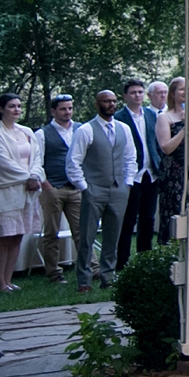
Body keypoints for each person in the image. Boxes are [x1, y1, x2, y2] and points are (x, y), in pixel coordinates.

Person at [71, 91, 138, 290]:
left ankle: (107, 276)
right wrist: (85, 187)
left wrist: (128, 184)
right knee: (87, 236)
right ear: (97, 104)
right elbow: (73, 162)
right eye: (106, 101)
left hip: (118, 190)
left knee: (113, 235)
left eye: (113, 101)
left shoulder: (123, 129)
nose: (110, 104)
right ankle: (84, 279)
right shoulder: (85, 130)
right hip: (94, 188)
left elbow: (130, 158)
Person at [35, 95, 89, 284]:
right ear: (53, 111)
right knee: (52, 233)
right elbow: (37, 162)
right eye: (63, 109)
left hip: (75, 188)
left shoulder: (81, 129)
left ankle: (91, 268)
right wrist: (47, 186)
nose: (67, 112)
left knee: (82, 230)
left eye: (70, 108)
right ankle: (54, 273)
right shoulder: (42, 134)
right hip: (52, 188)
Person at [113, 79, 161, 268]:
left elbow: (155, 140)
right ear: (125, 96)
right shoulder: (119, 117)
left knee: (148, 219)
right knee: (128, 220)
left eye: (140, 92)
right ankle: (122, 262)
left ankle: (144, 260)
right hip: (132, 175)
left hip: (151, 173)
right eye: (133, 92)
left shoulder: (151, 115)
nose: (137, 96)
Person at [0, 93, 43, 292]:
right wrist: (28, 177)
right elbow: (2, 162)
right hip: (6, 191)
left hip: (27, 191)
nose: (16, 110)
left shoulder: (27, 132)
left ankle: (8, 280)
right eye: (11, 106)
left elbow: (37, 157)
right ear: (1, 109)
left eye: (18, 106)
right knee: (3, 237)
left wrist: (34, 175)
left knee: (17, 236)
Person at [155, 77, 187, 243]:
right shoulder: (164, 117)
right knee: (173, 214)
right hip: (173, 175)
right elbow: (166, 147)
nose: (185, 92)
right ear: (173, 93)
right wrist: (184, 128)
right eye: (182, 89)